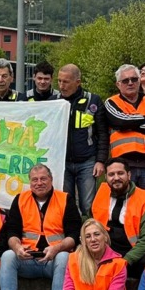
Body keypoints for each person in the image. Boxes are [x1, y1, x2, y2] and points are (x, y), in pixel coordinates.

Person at [0, 163, 81, 290]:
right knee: (7, 255)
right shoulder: (20, 199)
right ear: (30, 182)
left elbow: (75, 235)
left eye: (43, 178)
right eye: (35, 180)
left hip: (54, 261)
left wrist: (57, 248)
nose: (39, 183)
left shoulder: (66, 199)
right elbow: (11, 232)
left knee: (66, 256)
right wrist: (17, 247)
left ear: (51, 180)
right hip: (27, 259)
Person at [98, 63, 145, 196]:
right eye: (125, 80)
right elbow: (120, 121)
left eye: (134, 79)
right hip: (123, 165)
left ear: (139, 82)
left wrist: (130, 123)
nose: (130, 83)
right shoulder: (111, 102)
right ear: (118, 84)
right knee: (124, 202)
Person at [90, 159, 145, 284]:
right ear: (105, 177)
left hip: (134, 252)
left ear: (129, 175)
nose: (116, 178)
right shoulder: (100, 193)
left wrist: (126, 260)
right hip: (105, 249)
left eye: (120, 173)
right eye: (111, 175)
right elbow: (90, 222)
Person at [57, 63, 102, 217]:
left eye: (66, 82)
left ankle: (89, 237)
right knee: (65, 205)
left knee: (88, 205)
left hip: (87, 162)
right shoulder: (53, 101)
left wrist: (101, 160)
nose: (62, 86)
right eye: (59, 81)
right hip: (62, 163)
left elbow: (102, 134)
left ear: (78, 82)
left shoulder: (93, 101)